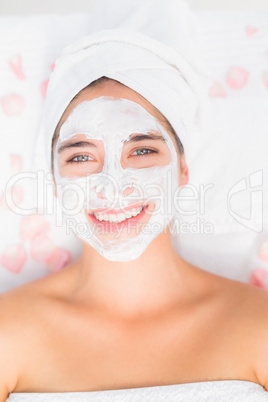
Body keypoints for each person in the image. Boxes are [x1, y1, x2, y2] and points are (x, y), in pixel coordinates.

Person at [2, 30, 268, 401]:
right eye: (81, 156)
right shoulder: (6, 333)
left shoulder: (261, 325)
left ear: (183, 168)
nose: (113, 185)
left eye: (142, 151)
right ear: (55, 181)